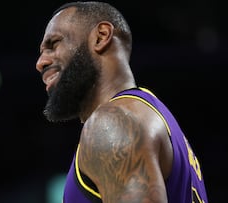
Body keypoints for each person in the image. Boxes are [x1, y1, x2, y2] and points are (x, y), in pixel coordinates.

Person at [35, 1, 209, 203]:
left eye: (53, 44)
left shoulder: (112, 124)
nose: (40, 63)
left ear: (101, 36)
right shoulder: (149, 114)